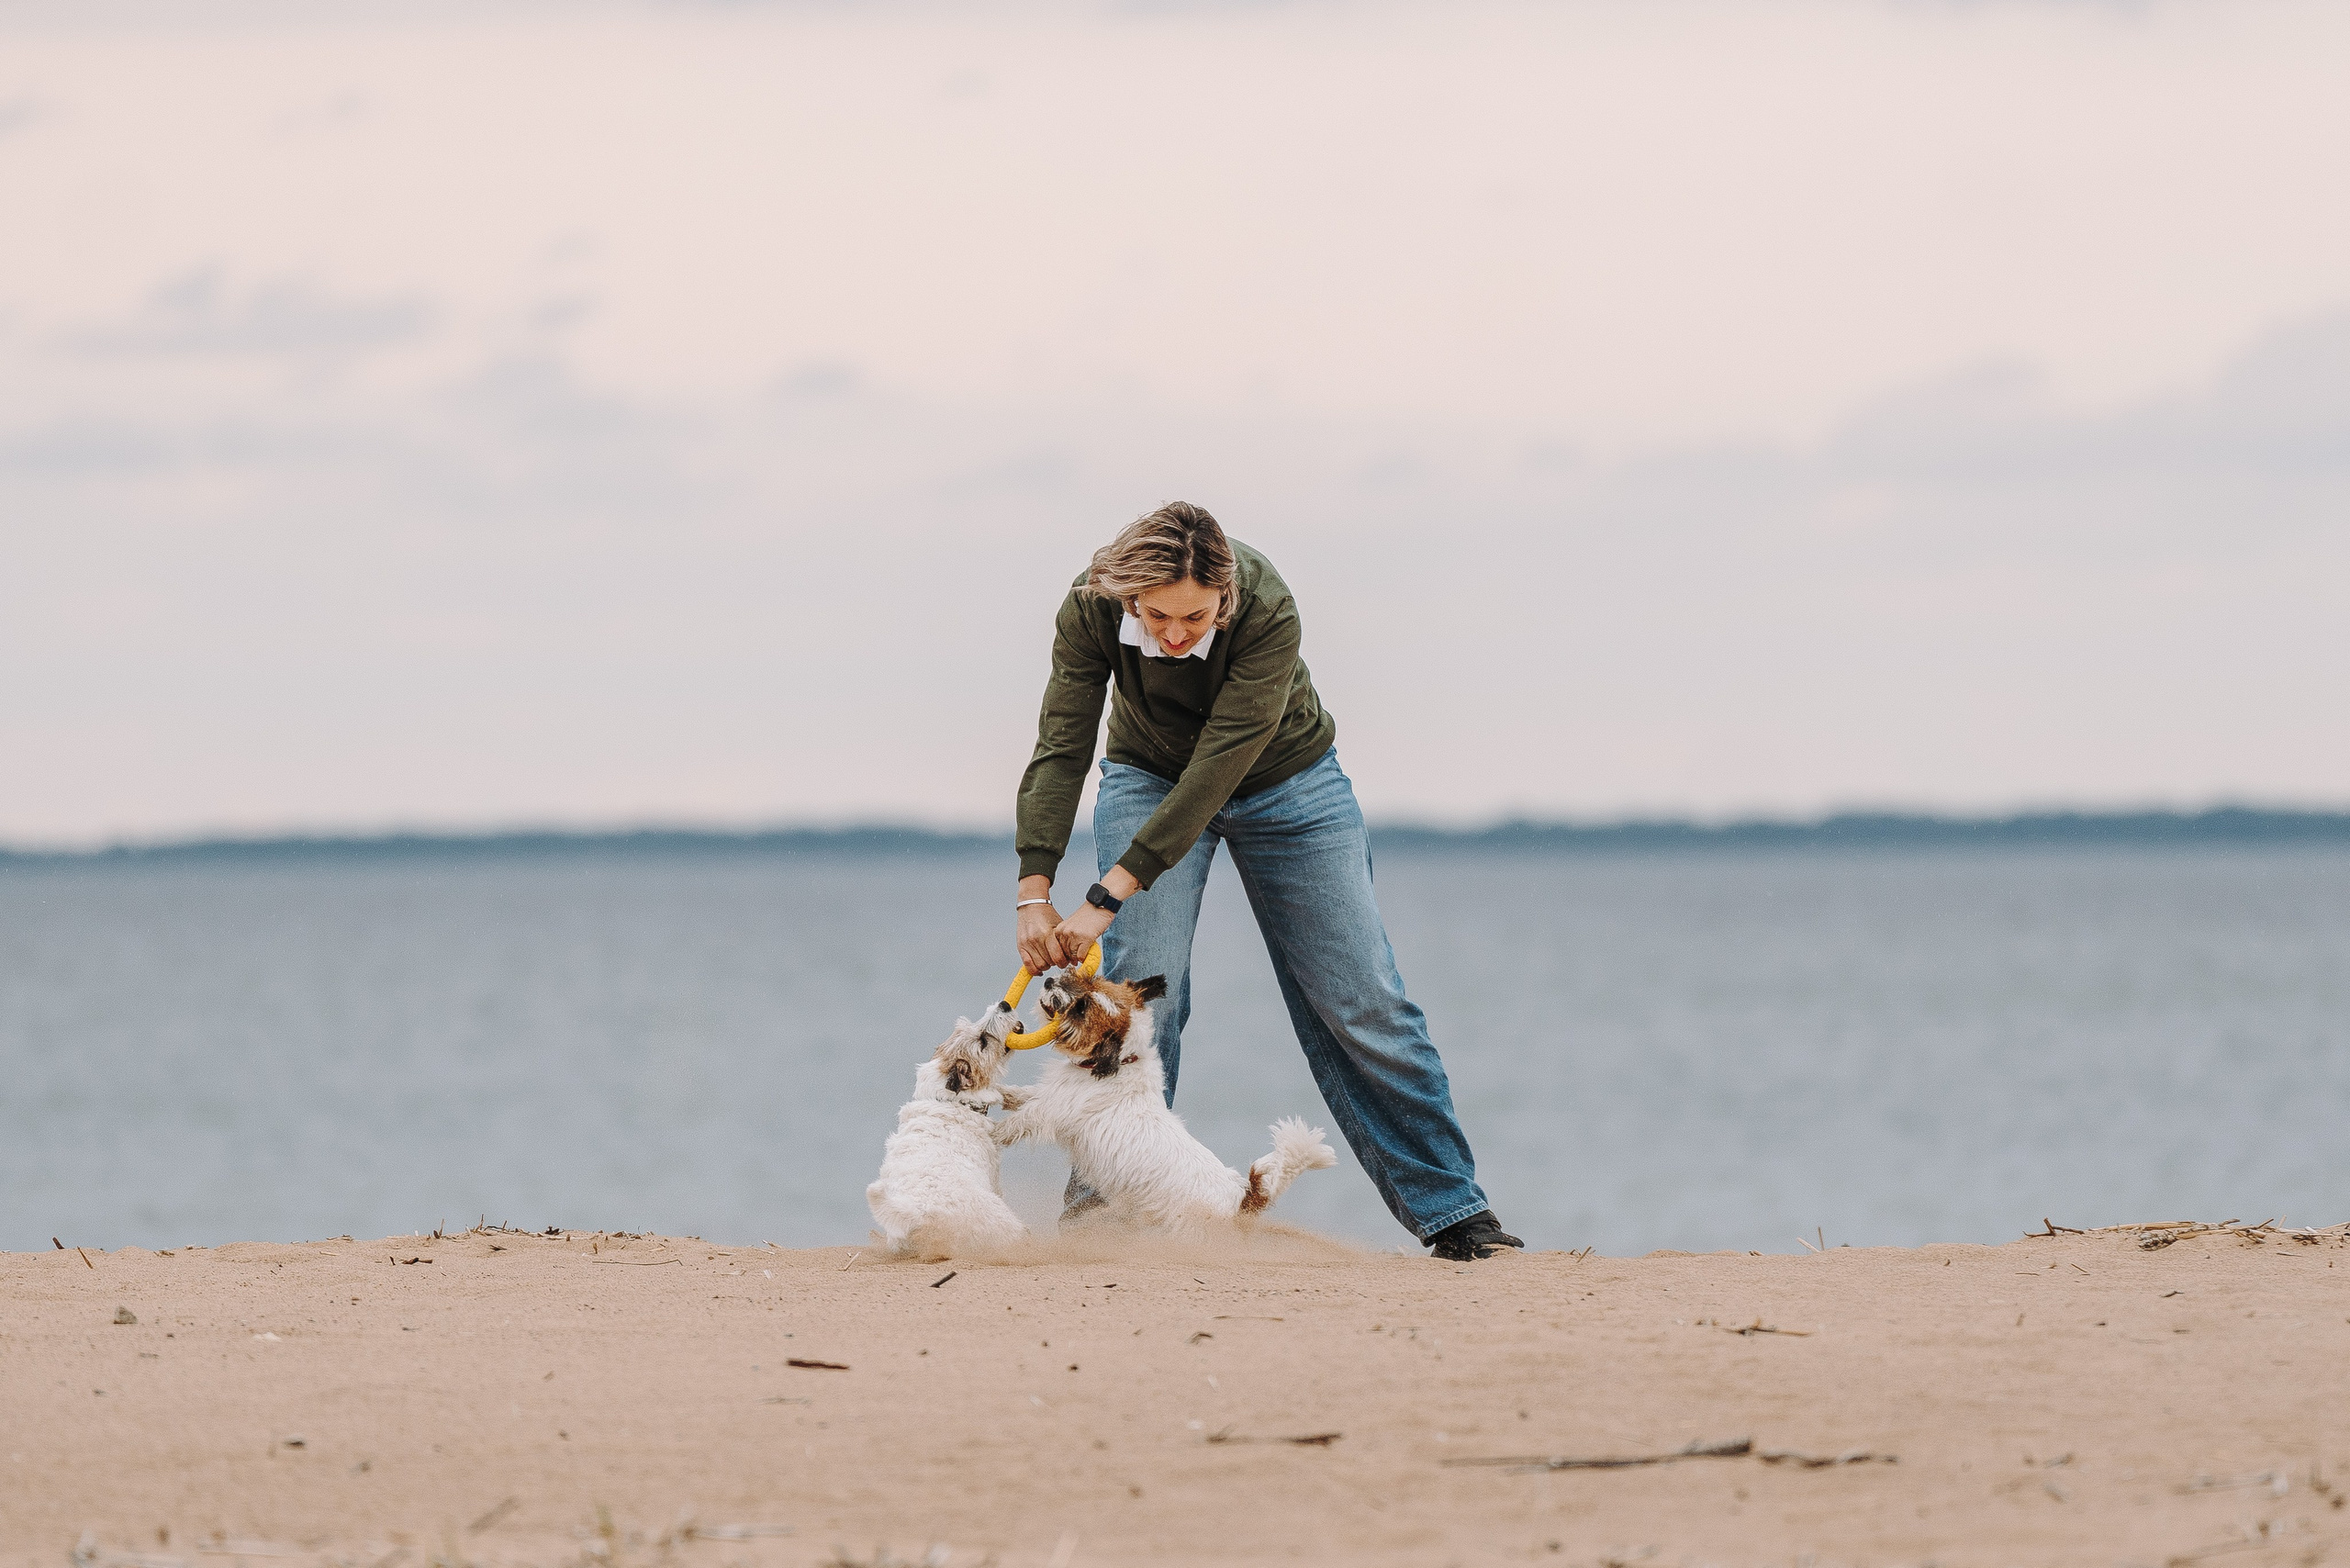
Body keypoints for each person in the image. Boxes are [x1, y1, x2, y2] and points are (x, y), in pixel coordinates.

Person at [1013, 501, 1520, 1260]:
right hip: (1147, 776)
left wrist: (1103, 897)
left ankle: (1454, 1216)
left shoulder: (1268, 604)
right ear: (1127, 598)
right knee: (1147, 995)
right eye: (1156, 617)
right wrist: (1035, 888)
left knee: (1363, 999)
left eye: (1194, 617)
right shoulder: (1090, 606)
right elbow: (1062, 742)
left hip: (1288, 784)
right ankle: (1106, 1222)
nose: (1175, 634)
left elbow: (1221, 763)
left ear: (1226, 595)